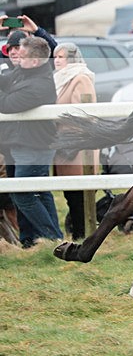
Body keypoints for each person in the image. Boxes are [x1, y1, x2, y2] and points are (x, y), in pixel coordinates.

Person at [0, 34, 62, 247]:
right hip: (21, 145)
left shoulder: (39, 85)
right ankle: (39, 239)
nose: (17, 58)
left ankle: (52, 238)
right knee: (40, 192)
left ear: (35, 61)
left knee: (22, 194)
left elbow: (6, 104)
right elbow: (4, 81)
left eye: (22, 55)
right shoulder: (23, 72)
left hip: (34, 147)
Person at [52, 43, 99, 241]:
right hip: (63, 144)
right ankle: (78, 232)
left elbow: (84, 112)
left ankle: (83, 235)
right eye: (55, 56)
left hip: (77, 145)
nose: (57, 60)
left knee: (79, 194)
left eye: (61, 56)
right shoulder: (60, 80)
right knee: (70, 193)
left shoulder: (80, 78)